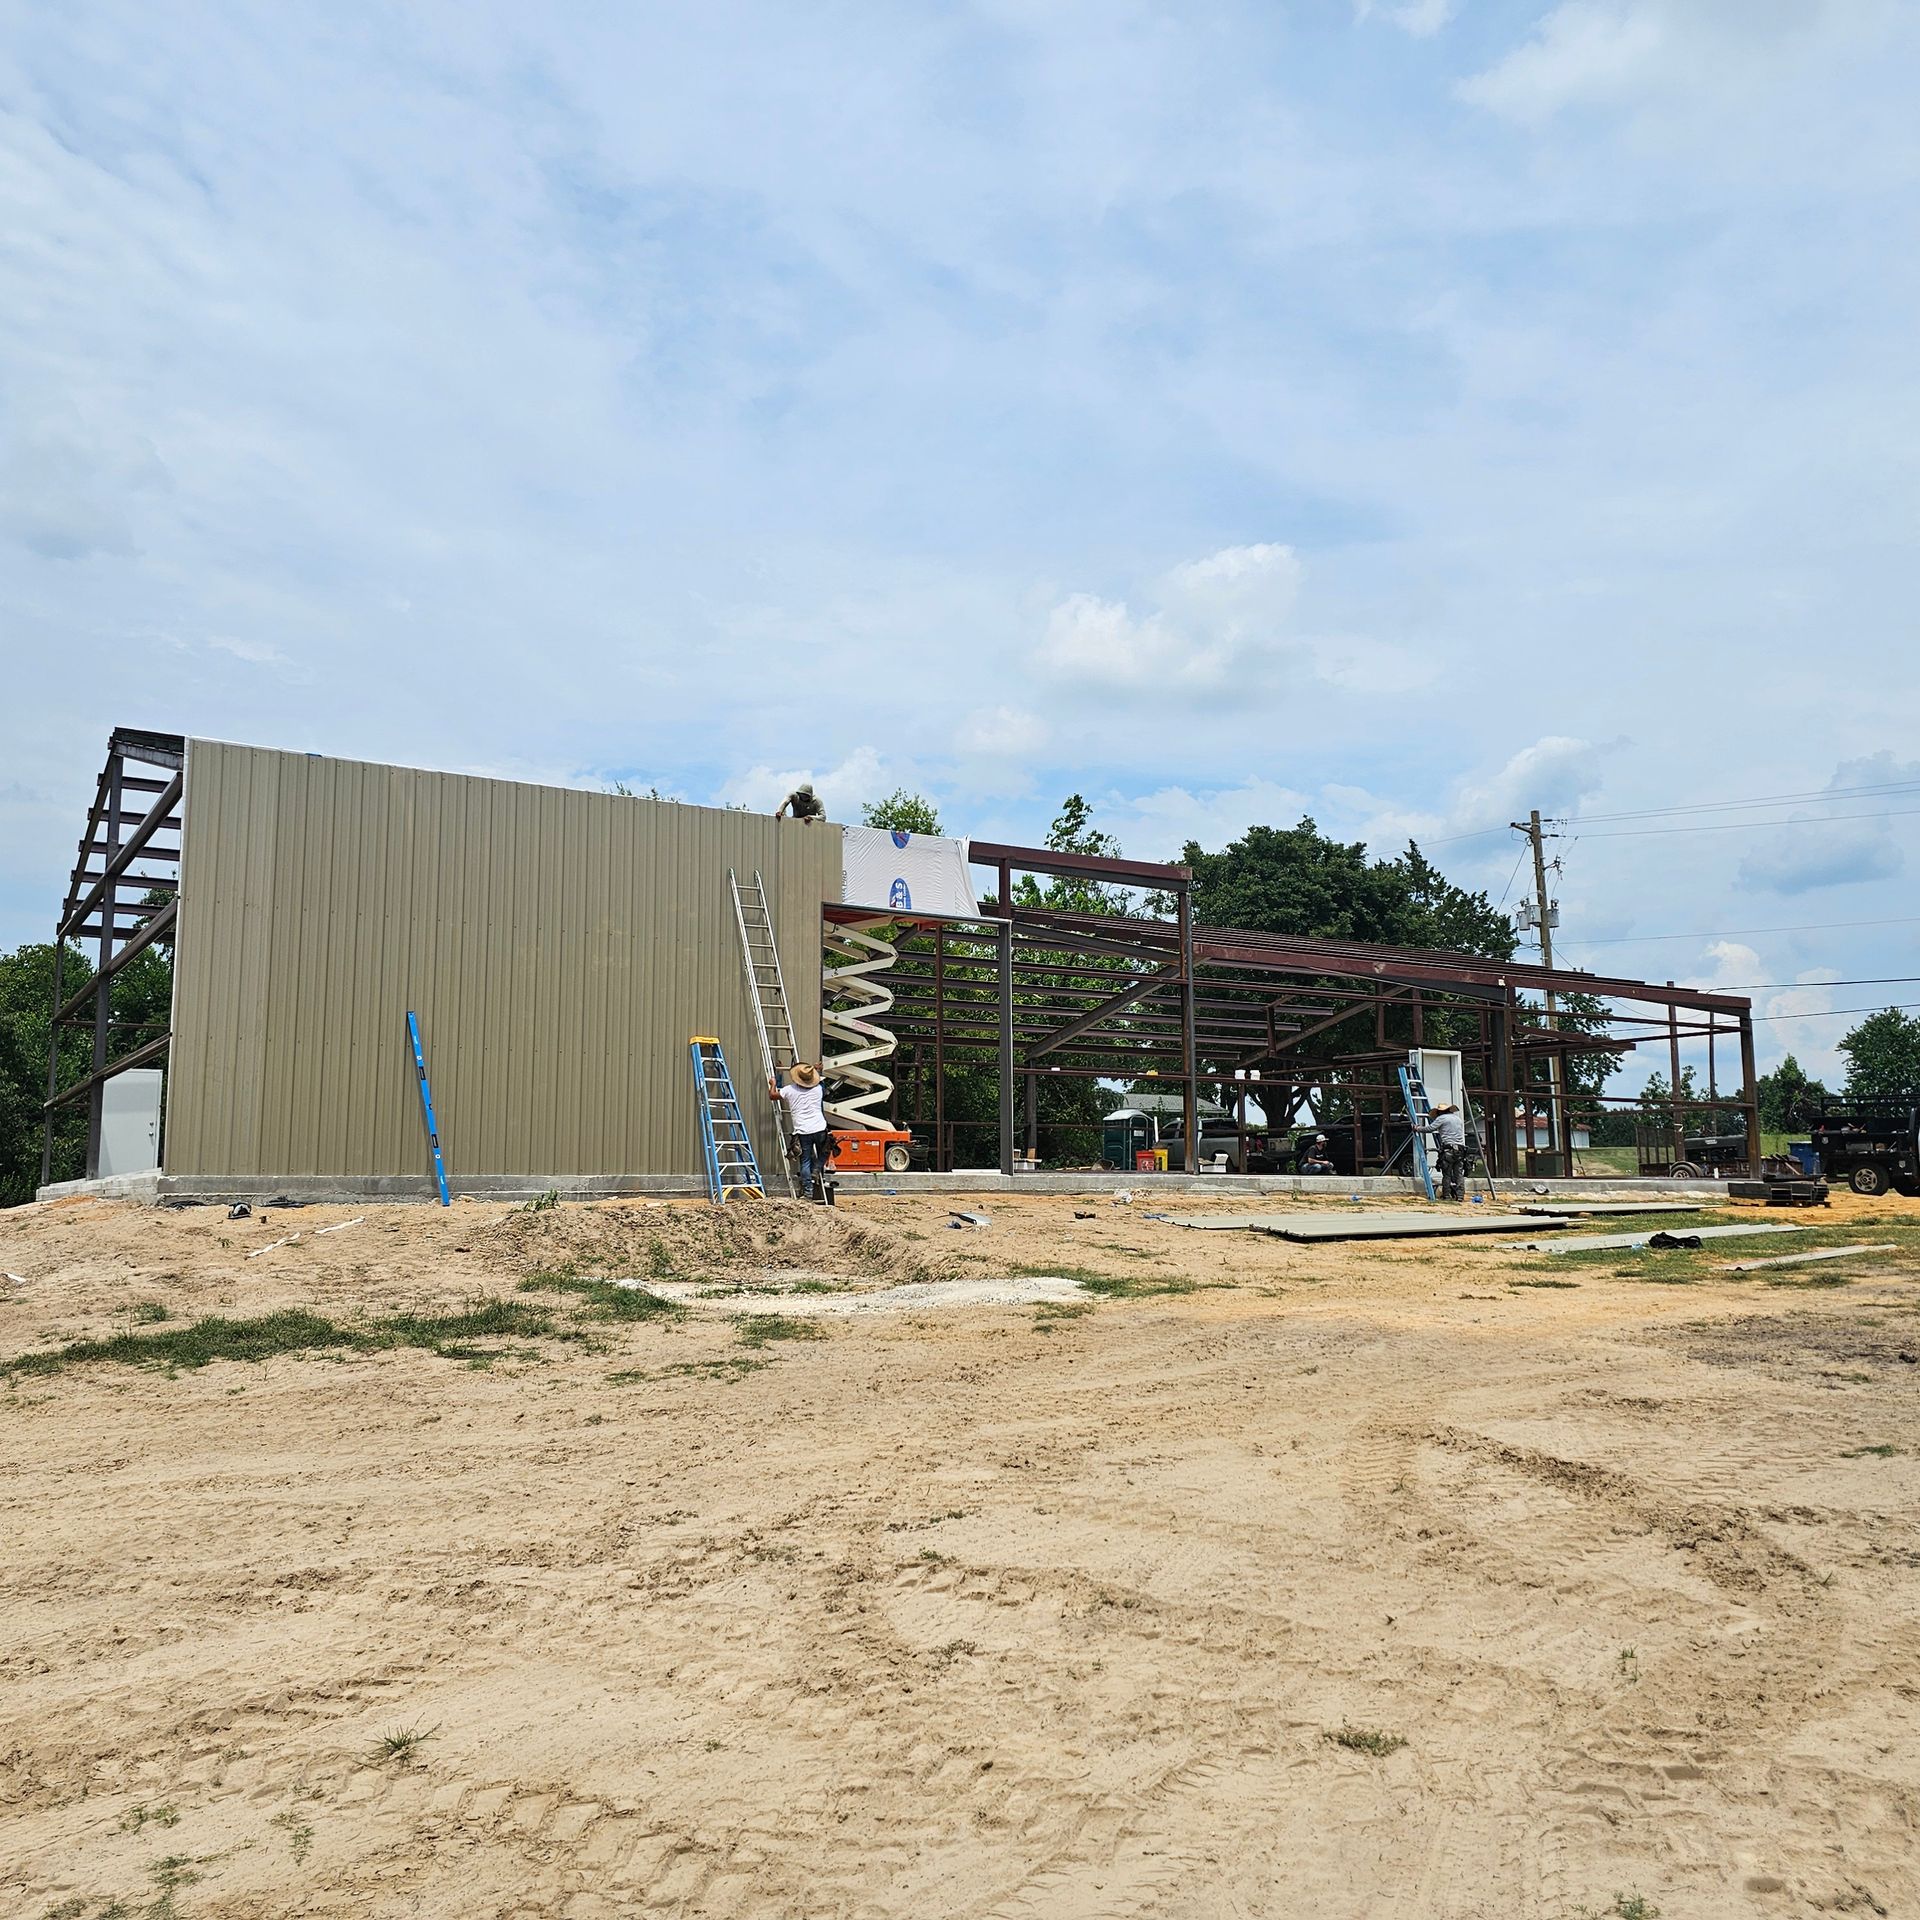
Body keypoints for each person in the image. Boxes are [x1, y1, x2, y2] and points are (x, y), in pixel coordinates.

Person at [771, 1061, 832, 1199]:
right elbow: (823, 1086)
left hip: (803, 1131)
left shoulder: (789, 1090)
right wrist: (817, 1070)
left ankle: (808, 1192)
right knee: (825, 1152)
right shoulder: (818, 1089)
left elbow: (772, 1095)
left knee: (805, 1161)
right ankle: (817, 1169)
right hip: (819, 1128)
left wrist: (773, 1082)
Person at [1418, 1102, 1469, 1201]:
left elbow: (1430, 1128)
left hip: (1448, 1149)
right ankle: (1460, 1196)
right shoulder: (1458, 1119)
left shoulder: (1441, 1118)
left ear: (1439, 1112)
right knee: (1459, 1174)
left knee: (1447, 1174)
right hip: (1460, 1150)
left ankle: (1446, 1195)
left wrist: (1418, 1128)